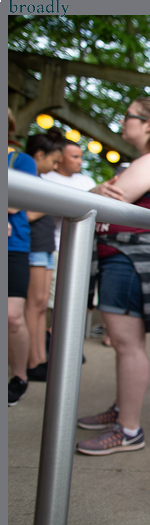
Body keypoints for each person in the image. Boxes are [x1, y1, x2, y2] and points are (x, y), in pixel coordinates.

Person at [74, 96, 150, 456]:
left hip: (130, 258)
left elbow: (104, 201)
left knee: (127, 344)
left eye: (129, 116)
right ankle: (122, 412)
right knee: (126, 344)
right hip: (127, 257)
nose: (124, 122)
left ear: (149, 124)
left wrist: (93, 191)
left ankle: (129, 429)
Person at [22, 129, 65, 382]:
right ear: (39, 155)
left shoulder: (38, 181)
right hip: (34, 246)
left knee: (40, 307)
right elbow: (22, 214)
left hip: (45, 247)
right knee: (34, 306)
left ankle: (40, 357)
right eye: (54, 160)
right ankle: (33, 359)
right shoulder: (24, 180)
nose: (56, 165)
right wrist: (50, 205)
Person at [41, 137, 96, 313]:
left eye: (81, 157)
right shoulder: (44, 177)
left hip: (84, 248)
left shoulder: (86, 181)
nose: (80, 161)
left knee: (77, 298)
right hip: (54, 246)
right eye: (74, 157)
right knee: (51, 300)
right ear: (60, 157)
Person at [8, 109, 37, 406]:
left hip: (13, 246)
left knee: (12, 316)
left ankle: (19, 376)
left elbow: (15, 204)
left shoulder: (21, 160)